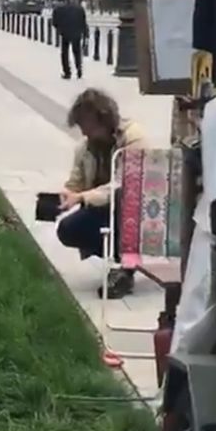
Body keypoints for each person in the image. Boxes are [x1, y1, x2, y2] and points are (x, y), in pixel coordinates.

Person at [57, 89, 147, 299]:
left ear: (104, 120)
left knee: (124, 201)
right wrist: (67, 194)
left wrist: (82, 197)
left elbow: (125, 183)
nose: (85, 133)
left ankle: (127, 264)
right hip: (102, 207)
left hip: (135, 207)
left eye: (87, 126)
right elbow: (75, 182)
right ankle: (119, 257)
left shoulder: (133, 137)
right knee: (68, 229)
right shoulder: (85, 147)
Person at [50, 0, 89, 80]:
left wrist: (60, 29)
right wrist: (85, 33)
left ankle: (67, 72)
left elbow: (54, 22)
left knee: (65, 53)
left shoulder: (59, 9)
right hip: (77, 33)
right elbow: (83, 23)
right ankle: (79, 69)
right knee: (77, 52)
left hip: (65, 33)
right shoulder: (79, 9)